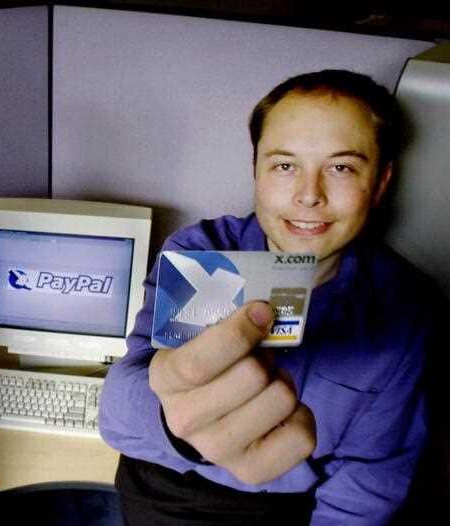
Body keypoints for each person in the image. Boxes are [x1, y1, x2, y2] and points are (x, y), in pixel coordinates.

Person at [99, 69, 444, 525]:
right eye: (285, 165)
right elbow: (119, 418)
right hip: (166, 488)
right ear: (256, 172)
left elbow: (368, 486)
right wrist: (177, 426)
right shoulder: (204, 255)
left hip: (284, 511)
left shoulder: (407, 308)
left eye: (341, 168)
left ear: (380, 184)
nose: (308, 196)